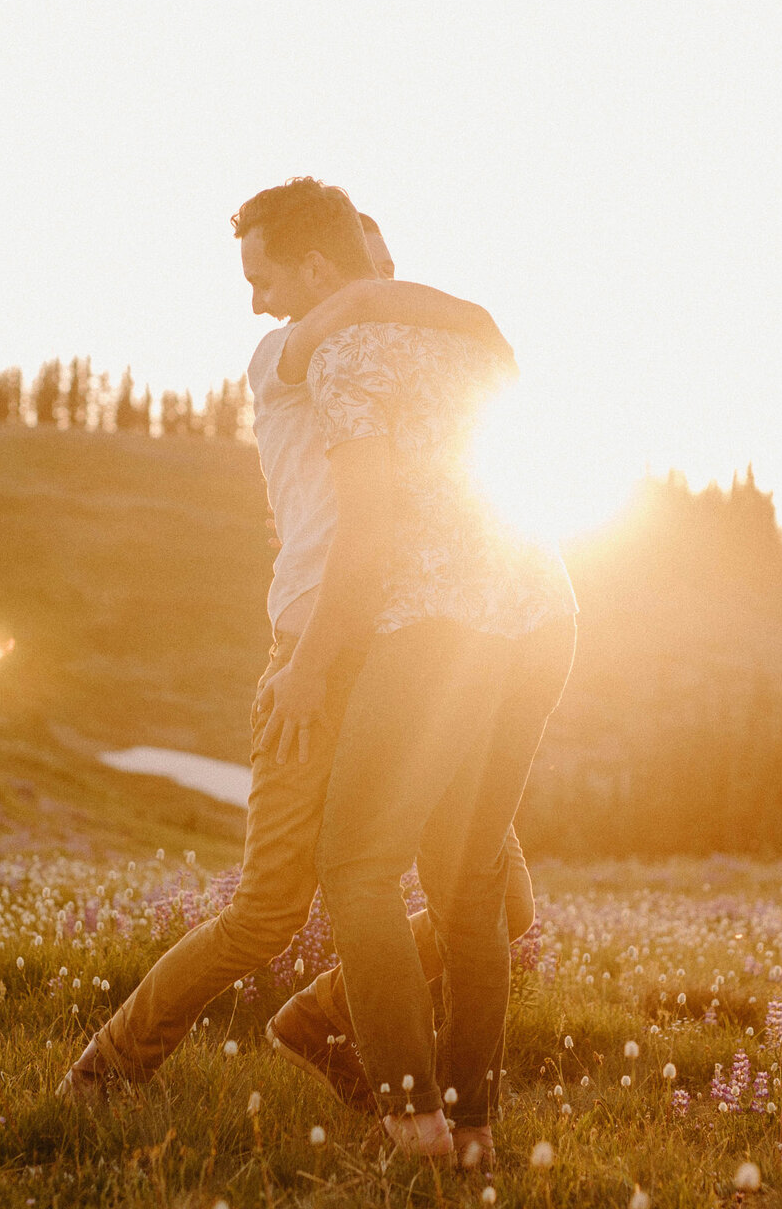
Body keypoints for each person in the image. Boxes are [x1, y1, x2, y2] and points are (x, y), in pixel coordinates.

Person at [59, 178, 533, 1101]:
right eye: (370, 275)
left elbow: (467, 340)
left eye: (261, 274)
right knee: (267, 910)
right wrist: (375, 292)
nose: (253, 296)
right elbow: (385, 315)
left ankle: (324, 1017)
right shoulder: (283, 353)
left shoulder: (397, 355)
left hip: (414, 654)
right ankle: (107, 1066)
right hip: (313, 649)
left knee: (495, 900)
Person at [261, 212, 577, 1165]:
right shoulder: (462, 332)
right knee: (470, 883)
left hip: (442, 626)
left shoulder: (343, 356)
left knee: (356, 864)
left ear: (319, 271)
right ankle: (473, 1128)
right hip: (543, 611)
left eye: (264, 279)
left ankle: (414, 1123)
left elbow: (366, 541)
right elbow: (485, 338)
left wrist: (308, 666)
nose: (257, 303)